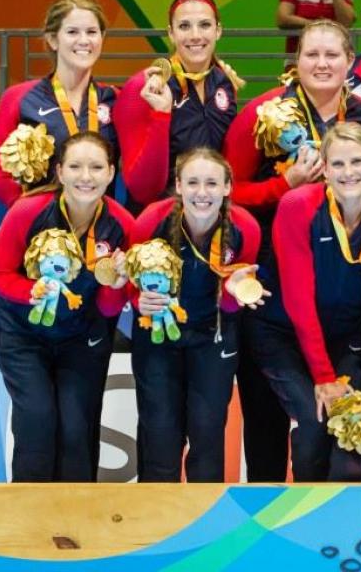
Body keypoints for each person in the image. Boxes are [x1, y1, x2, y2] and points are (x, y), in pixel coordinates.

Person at [222, 20, 361, 481]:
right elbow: (228, 195)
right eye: (312, 54)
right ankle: (267, 524)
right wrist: (283, 186)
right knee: (265, 420)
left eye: (333, 55)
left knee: (327, 425)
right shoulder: (261, 114)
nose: (322, 64)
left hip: (340, 290)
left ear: (350, 62)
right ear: (296, 61)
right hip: (268, 291)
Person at [258, 123, 361, 481]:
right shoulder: (298, 206)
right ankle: (306, 518)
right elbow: (297, 299)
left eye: (357, 161)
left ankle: (341, 523)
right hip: (285, 333)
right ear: (323, 168)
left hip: (342, 335)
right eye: (337, 164)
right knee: (314, 421)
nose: (348, 172)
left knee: (355, 426)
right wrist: (324, 378)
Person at [0, 132, 135, 481]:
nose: (86, 176)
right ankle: (31, 522)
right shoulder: (29, 211)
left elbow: (112, 309)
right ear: (60, 172)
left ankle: (75, 524)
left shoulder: (122, 225)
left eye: (97, 167)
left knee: (76, 429)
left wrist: (116, 286)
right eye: (76, 166)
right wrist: (32, 290)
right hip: (23, 333)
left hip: (83, 338)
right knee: (37, 420)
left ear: (111, 173)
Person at [126, 148, 262, 482]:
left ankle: (206, 525)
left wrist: (233, 295)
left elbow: (233, 302)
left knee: (207, 431)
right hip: (158, 334)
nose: (202, 193)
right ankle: (154, 525)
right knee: (159, 433)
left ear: (228, 187)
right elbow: (131, 281)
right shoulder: (151, 222)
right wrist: (138, 299)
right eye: (193, 183)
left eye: (212, 183)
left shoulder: (246, 228)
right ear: (178, 185)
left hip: (213, 336)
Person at [115, 0, 242, 209]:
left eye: (204, 25)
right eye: (184, 26)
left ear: (218, 31)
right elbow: (140, 188)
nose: (195, 35)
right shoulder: (145, 87)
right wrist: (161, 115)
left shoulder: (224, 82)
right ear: (171, 33)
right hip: (160, 217)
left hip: (211, 214)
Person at [0, 0, 120, 205]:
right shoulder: (18, 99)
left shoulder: (116, 100)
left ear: (101, 38)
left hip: (99, 230)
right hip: (43, 230)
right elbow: (3, 181)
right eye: (72, 32)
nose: (84, 40)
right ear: (52, 40)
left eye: (92, 32)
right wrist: (40, 217)